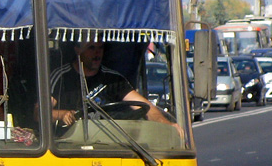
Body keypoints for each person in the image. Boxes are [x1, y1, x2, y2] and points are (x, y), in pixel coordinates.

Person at [50, 39, 179, 132]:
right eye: (91, 48)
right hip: (68, 148)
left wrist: (167, 124)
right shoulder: (61, 77)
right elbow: (39, 113)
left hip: (109, 145)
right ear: (77, 50)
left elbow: (146, 107)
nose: (97, 53)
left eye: (100, 48)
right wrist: (62, 114)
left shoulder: (113, 79)